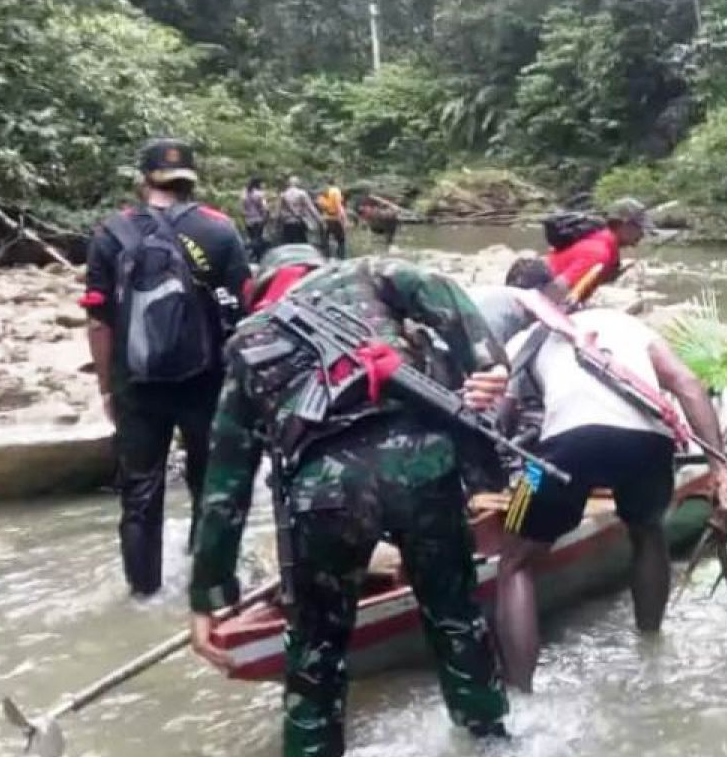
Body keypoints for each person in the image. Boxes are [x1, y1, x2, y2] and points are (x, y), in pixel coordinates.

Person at [188, 255, 512, 757]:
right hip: (424, 467)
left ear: (263, 288)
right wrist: (489, 365)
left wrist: (210, 594)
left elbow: (225, 481)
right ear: (314, 266)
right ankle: (490, 741)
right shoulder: (364, 272)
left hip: (322, 495)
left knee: (315, 652)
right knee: (455, 618)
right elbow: (436, 285)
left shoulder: (245, 342)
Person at [494, 306, 727, 692]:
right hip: (651, 444)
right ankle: (651, 649)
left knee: (513, 561)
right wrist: (720, 466)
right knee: (647, 531)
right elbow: (687, 383)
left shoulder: (527, 338)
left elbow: (500, 420)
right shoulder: (628, 324)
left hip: (564, 448)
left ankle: (520, 691)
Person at [81, 138, 252, 598]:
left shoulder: (110, 233)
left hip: (135, 383)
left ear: (143, 181)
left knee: (140, 492)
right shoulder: (219, 230)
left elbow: (99, 321)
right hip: (207, 380)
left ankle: (143, 595)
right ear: (190, 181)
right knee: (210, 483)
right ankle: (211, 588)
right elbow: (245, 310)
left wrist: (107, 388)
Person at [546, 197, 657, 301]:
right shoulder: (599, 252)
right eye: (639, 228)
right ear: (623, 224)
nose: (642, 234)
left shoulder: (602, 239)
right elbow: (555, 290)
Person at [276, 176, 326, 250]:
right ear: (297, 183)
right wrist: (319, 220)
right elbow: (311, 208)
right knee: (301, 246)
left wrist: (277, 224)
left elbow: (279, 211)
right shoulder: (302, 193)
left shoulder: (283, 194)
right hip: (298, 222)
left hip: (287, 223)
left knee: (288, 246)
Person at [316, 180, 351, 259]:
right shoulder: (335, 191)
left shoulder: (322, 192)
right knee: (341, 240)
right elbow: (338, 206)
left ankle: (326, 257)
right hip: (335, 218)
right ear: (335, 183)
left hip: (324, 218)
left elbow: (319, 204)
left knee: (325, 240)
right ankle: (341, 258)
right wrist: (344, 220)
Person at [241, 177, 270, 261]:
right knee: (258, 239)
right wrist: (266, 217)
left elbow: (243, 208)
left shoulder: (244, 194)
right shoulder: (259, 194)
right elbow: (265, 208)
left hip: (248, 220)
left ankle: (254, 255)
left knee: (253, 238)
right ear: (258, 184)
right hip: (258, 220)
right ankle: (259, 257)